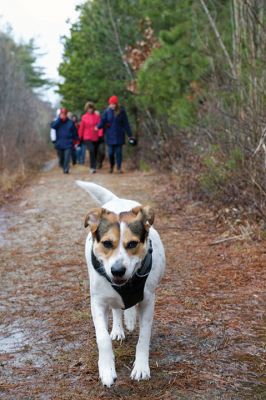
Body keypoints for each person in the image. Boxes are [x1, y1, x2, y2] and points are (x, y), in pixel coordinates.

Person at [97, 95, 135, 173]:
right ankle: (111, 166)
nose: (112, 105)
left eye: (114, 104)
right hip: (110, 136)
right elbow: (102, 121)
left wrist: (130, 135)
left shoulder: (121, 112)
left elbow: (126, 124)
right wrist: (98, 127)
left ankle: (119, 168)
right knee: (110, 153)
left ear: (116, 104)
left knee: (118, 153)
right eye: (111, 104)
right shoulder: (107, 112)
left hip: (119, 135)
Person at [50, 107, 78, 174]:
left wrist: (76, 140)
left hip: (68, 143)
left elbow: (74, 132)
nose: (63, 115)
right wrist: (59, 119)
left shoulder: (70, 122)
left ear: (66, 114)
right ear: (60, 114)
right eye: (62, 114)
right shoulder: (57, 122)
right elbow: (53, 126)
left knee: (67, 156)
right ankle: (62, 165)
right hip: (59, 143)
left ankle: (66, 168)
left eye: (64, 114)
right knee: (61, 157)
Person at [78, 101, 103, 173]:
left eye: (91, 108)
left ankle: (94, 165)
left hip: (95, 137)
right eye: (89, 108)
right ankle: (92, 167)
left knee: (95, 152)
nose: (90, 110)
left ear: (93, 109)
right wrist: (80, 137)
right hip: (87, 137)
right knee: (91, 150)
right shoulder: (84, 117)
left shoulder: (97, 117)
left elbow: (100, 126)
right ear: (86, 109)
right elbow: (81, 128)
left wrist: (100, 134)